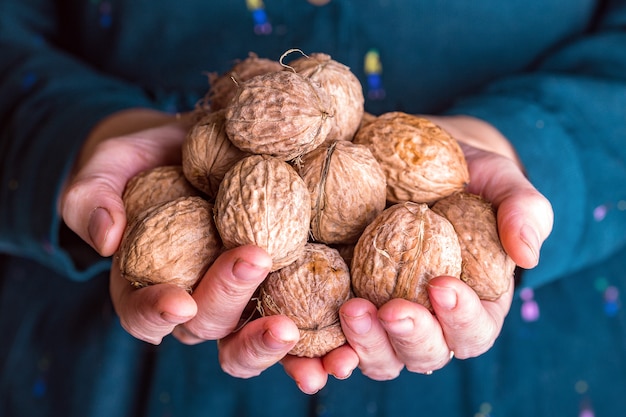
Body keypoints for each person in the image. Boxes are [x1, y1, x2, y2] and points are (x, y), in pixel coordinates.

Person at [1, 1, 625, 416]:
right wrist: (87, 136)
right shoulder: (239, 157)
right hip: (99, 364)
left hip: (533, 364)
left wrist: (522, 141)